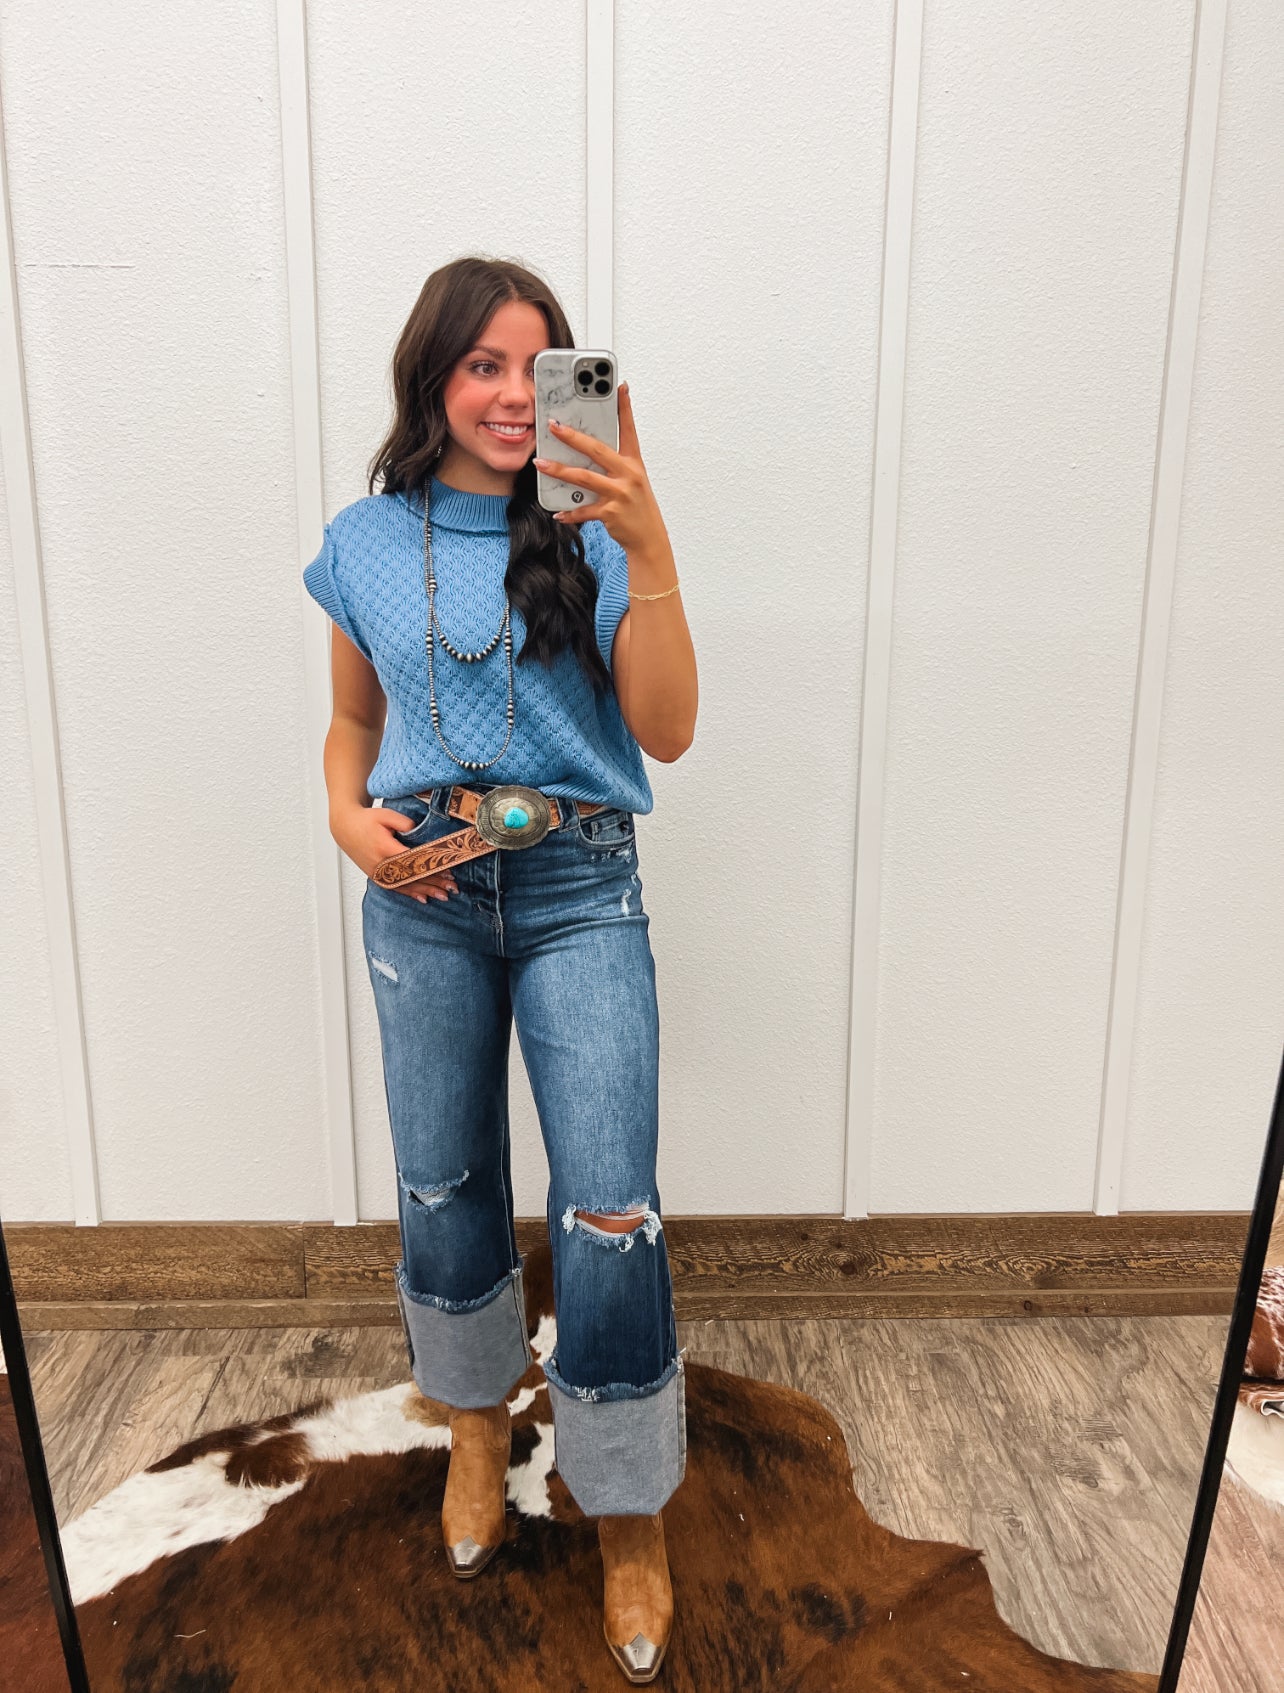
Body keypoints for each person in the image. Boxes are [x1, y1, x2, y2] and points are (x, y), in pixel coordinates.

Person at [302, 254, 698, 1683]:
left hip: (581, 886)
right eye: (484, 365)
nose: (516, 395)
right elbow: (354, 725)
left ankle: (625, 1501)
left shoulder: (595, 528)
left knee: (609, 1206)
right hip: (424, 893)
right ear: (435, 378)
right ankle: (476, 1427)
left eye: (540, 367)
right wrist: (347, 820)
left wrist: (648, 546)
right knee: (442, 1178)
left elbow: (668, 732)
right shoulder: (364, 538)